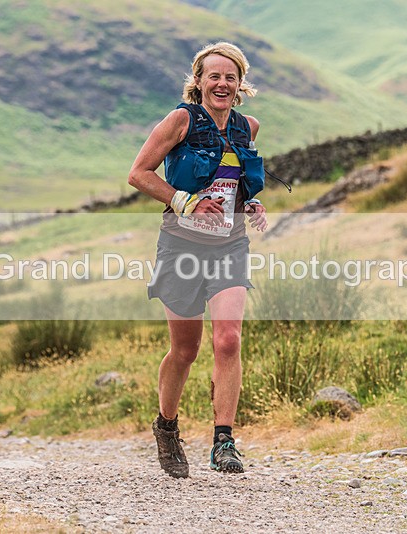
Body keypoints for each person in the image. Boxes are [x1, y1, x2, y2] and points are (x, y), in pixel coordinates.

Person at [128, 41, 267, 478]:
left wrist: (249, 205)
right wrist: (184, 201)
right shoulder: (181, 120)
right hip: (181, 246)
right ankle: (166, 427)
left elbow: (233, 184)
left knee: (228, 339)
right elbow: (138, 174)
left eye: (230, 76)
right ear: (199, 81)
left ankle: (224, 440)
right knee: (185, 350)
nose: (222, 83)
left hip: (230, 244)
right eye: (214, 76)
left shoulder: (248, 127)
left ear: (240, 84)